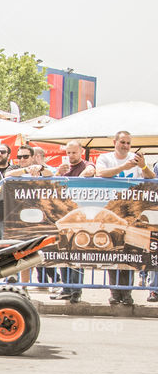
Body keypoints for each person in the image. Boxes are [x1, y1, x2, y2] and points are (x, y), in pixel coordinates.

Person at [96, 131, 154, 306]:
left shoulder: (135, 159)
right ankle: (115, 293)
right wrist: (123, 168)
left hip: (132, 215)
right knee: (113, 254)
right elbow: (101, 173)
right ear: (115, 142)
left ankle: (127, 294)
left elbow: (151, 178)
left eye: (128, 143)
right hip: (110, 213)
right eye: (122, 142)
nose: (126, 146)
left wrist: (143, 166)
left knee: (130, 254)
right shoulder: (106, 158)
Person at [49, 140, 96, 303]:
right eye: (68, 153)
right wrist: (58, 173)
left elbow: (90, 170)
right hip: (63, 217)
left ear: (81, 152)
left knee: (77, 253)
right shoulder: (63, 168)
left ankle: (76, 289)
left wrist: (79, 178)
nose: (70, 156)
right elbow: (52, 186)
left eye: (74, 152)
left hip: (81, 217)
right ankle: (66, 288)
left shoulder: (86, 165)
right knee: (63, 252)